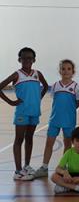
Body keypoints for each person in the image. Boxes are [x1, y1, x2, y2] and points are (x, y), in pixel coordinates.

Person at [0, 47, 48, 181]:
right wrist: (11, 102)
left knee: (30, 139)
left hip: (34, 112)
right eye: (24, 58)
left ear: (34, 60)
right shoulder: (17, 74)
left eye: (30, 58)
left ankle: (26, 166)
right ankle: (17, 170)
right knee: (19, 140)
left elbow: (45, 86)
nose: (27, 60)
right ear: (19, 60)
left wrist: (38, 98)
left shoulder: (37, 74)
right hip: (22, 112)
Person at [35, 59, 79, 178]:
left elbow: (77, 103)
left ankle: (64, 168)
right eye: (63, 69)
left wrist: (68, 112)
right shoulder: (55, 85)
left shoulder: (76, 87)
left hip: (69, 121)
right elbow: (55, 100)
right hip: (54, 120)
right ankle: (44, 167)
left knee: (67, 145)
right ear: (60, 71)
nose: (66, 71)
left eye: (69, 69)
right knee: (49, 143)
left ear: (73, 71)